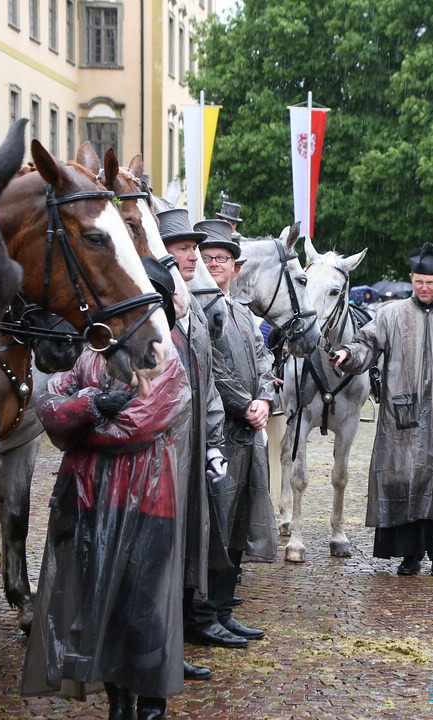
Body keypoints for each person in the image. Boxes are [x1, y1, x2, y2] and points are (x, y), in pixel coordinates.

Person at [22, 258, 189, 720]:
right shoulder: (91, 354)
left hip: (150, 504)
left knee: (143, 610)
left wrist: (82, 421)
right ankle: (119, 699)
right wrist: (95, 403)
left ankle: (151, 701)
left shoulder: (166, 358)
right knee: (102, 605)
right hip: (89, 500)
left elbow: (136, 428)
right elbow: (48, 406)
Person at [331, 242, 433, 578]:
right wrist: (348, 354)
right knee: (405, 479)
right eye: (418, 282)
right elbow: (366, 343)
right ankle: (409, 554)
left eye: (430, 282)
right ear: (411, 278)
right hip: (403, 414)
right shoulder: (391, 314)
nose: (423, 288)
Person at [184, 218, 277, 649]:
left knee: (238, 521)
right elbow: (211, 371)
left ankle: (223, 609)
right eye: (207, 258)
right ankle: (203, 614)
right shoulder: (196, 312)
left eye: (221, 258)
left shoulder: (243, 314)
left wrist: (265, 400)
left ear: (236, 268)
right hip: (218, 435)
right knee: (214, 525)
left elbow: (263, 363)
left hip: (247, 436)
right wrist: (246, 405)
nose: (214, 264)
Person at [157, 208, 229, 682]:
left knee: (188, 545)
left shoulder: (194, 308)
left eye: (192, 247)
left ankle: (178, 635)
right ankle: (157, 650)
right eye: (181, 246)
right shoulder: (150, 305)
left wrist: (214, 438)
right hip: (158, 451)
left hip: (193, 445)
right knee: (159, 551)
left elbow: (206, 378)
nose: (192, 255)